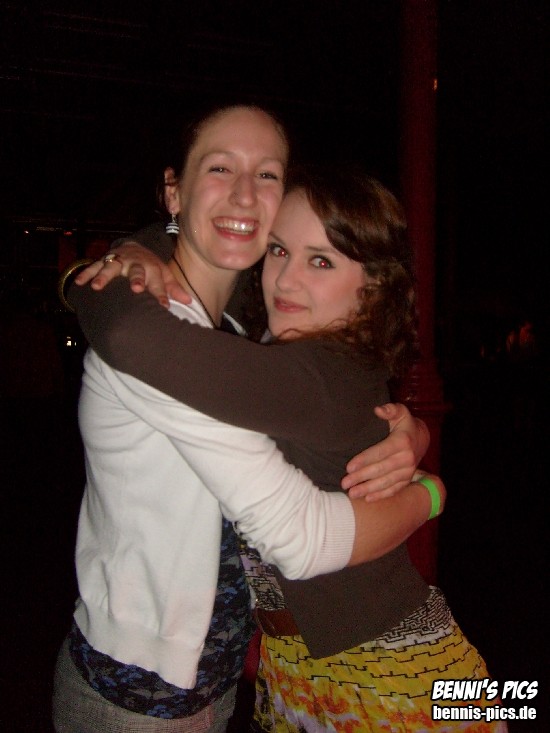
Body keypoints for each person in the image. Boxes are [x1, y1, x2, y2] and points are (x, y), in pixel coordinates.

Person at [72, 163, 506, 732]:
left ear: (373, 287)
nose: (285, 280)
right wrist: (143, 247)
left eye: (320, 261)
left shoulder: (319, 373)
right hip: (298, 665)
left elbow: (129, 335)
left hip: (393, 668)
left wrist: (92, 277)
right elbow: (199, 258)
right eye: (278, 251)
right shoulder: (287, 347)